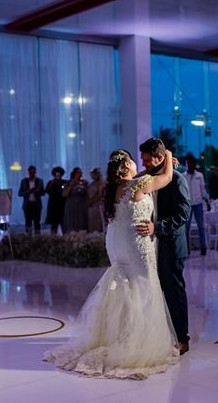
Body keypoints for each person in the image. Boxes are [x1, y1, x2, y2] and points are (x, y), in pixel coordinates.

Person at [44, 148, 180, 379]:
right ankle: (135, 340)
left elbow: (139, 181)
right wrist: (167, 156)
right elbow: (166, 178)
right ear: (126, 166)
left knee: (122, 283)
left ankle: (113, 335)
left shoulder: (116, 187)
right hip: (134, 241)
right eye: (133, 162)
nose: (138, 165)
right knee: (144, 285)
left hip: (116, 241)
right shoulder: (138, 185)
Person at [137, 138, 191, 355]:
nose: (144, 164)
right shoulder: (146, 178)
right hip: (150, 247)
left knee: (174, 293)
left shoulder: (177, 179)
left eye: (148, 160)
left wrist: (157, 227)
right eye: (142, 160)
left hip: (170, 244)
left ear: (159, 158)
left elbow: (184, 213)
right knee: (151, 293)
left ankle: (182, 338)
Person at [183, 155, 208, 255]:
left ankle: (203, 247)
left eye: (191, 163)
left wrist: (206, 200)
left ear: (194, 164)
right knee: (186, 227)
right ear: (186, 164)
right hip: (187, 204)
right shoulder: (183, 176)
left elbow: (203, 189)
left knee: (201, 227)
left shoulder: (199, 175)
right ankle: (186, 249)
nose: (190, 165)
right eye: (188, 163)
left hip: (198, 203)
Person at [62, 167, 88, 233]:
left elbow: (87, 193)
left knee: (81, 221)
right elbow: (64, 194)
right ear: (74, 174)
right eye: (79, 172)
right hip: (71, 205)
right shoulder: (68, 182)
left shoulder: (84, 182)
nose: (80, 174)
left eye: (81, 172)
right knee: (71, 221)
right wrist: (71, 186)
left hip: (81, 205)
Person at [45, 166, 66, 235]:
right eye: (56, 173)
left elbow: (65, 190)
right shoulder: (50, 182)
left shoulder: (64, 182)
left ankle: (66, 238)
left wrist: (61, 184)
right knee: (54, 224)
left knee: (64, 223)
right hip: (53, 205)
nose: (57, 175)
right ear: (53, 174)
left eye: (59, 173)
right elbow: (47, 191)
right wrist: (52, 184)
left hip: (62, 205)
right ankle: (53, 239)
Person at [86, 167, 105, 233]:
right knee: (92, 221)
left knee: (98, 221)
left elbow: (100, 194)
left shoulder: (102, 182)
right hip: (91, 206)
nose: (92, 175)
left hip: (98, 205)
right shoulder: (92, 183)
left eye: (93, 174)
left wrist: (92, 202)